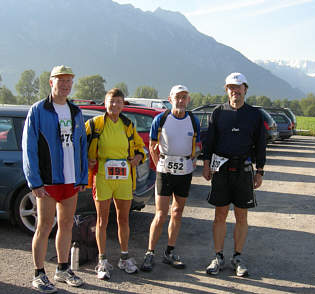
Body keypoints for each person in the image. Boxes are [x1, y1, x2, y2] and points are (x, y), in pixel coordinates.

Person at [22, 65, 88, 293]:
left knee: (67, 225)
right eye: (61, 80)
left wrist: (82, 176)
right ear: (51, 82)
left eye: (69, 81)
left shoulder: (76, 112)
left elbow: (82, 146)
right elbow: (29, 149)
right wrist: (35, 182)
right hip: (49, 181)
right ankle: (38, 273)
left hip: (71, 180)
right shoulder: (38, 110)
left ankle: (62, 268)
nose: (66, 85)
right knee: (44, 226)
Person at [202, 72, 266, 277]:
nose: (235, 91)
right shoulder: (218, 112)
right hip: (220, 169)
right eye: (231, 87)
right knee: (219, 214)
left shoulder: (255, 115)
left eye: (238, 87)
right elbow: (209, 141)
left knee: (241, 215)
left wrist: (260, 170)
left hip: (244, 170)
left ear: (245, 89)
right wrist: (205, 163)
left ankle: (237, 257)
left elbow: (261, 145)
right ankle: (218, 256)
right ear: (226, 89)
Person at [86, 88, 146, 280]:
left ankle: (124, 257)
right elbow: (80, 146)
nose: (115, 105)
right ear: (105, 102)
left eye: (119, 101)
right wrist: (87, 160)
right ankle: (102, 260)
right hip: (102, 176)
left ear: (123, 104)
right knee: (102, 221)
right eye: (112, 101)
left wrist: (137, 157)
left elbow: (140, 148)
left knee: (123, 219)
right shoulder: (95, 124)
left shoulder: (127, 124)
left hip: (123, 178)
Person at [141, 85, 201, 271]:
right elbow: (152, 145)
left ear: (188, 100)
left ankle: (169, 252)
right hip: (165, 171)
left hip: (184, 171)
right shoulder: (161, 119)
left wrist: (195, 158)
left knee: (177, 213)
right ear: (170, 98)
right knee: (161, 213)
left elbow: (198, 144)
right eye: (177, 97)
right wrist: (158, 163)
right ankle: (149, 253)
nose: (181, 101)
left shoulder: (193, 119)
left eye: (184, 97)